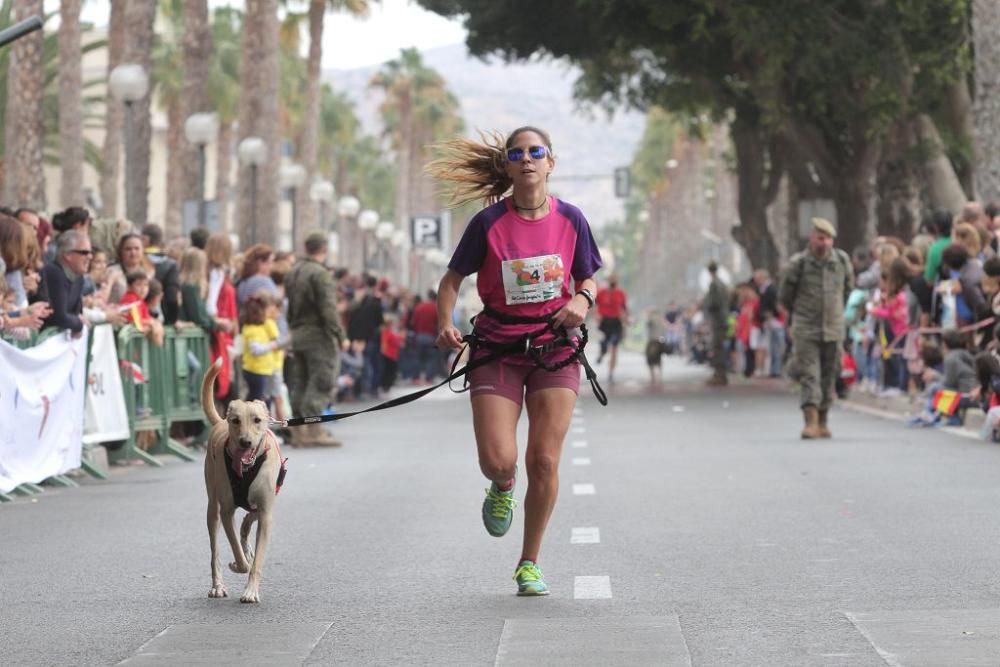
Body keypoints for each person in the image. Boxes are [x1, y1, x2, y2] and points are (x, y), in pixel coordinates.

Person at [428, 126, 602, 596]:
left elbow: (588, 279)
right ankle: (502, 486)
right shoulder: (487, 224)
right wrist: (446, 322)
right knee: (498, 460)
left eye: (536, 152)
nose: (527, 159)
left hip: (554, 350)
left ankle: (530, 562)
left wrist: (581, 303)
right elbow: (450, 281)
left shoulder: (572, 219)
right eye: (517, 153)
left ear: (551, 162)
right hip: (498, 349)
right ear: (507, 165)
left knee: (544, 460)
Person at [779, 217, 853, 439]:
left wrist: (836, 312)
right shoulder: (798, 264)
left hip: (833, 328)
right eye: (821, 238)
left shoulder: (841, 261)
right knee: (810, 374)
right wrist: (801, 314)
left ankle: (823, 420)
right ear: (812, 238)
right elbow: (786, 296)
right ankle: (810, 421)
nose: (825, 243)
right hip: (806, 328)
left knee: (829, 375)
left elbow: (848, 290)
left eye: (829, 239)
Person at [285, 232, 344, 448]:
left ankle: (298, 433)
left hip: (298, 333)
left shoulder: (293, 272)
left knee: (299, 381)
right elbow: (328, 309)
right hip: (318, 335)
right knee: (321, 380)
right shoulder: (320, 274)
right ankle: (314, 430)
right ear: (324, 249)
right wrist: (339, 335)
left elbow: (289, 308)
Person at [41, 229, 91, 336]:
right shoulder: (54, 272)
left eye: (90, 252)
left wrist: (77, 322)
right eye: (84, 252)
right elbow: (60, 316)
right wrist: (78, 325)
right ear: (67, 255)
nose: (90, 257)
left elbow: (76, 313)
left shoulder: (79, 277)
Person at [594, 275, 627, 383]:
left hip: (616, 323)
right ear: (608, 281)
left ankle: (611, 372)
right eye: (611, 280)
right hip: (604, 323)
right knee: (604, 345)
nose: (613, 282)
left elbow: (624, 308)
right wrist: (596, 316)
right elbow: (594, 305)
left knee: (614, 347)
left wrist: (627, 319)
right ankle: (602, 353)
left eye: (615, 280)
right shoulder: (601, 293)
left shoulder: (621, 293)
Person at [703, 261, 730, 386]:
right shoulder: (723, 284)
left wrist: (705, 308)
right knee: (719, 346)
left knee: (717, 347)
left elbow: (713, 303)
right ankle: (719, 373)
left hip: (717, 319)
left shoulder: (714, 284)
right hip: (723, 318)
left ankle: (720, 374)